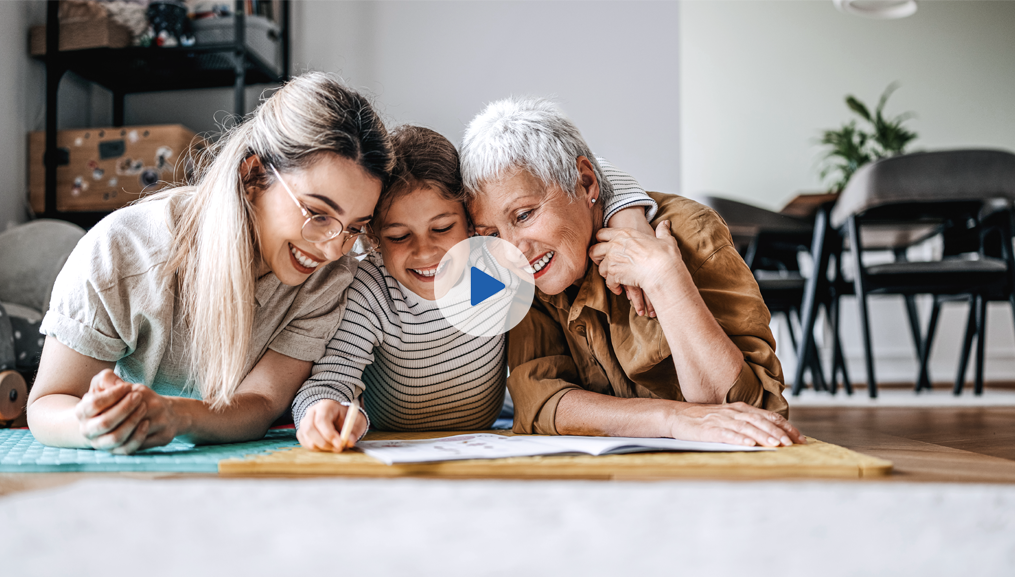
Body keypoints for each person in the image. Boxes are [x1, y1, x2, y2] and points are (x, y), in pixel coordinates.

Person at [26, 72, 394, 454]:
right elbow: (48, 403)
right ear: (252, 175)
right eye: (318, 214)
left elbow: (262, 403)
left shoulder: (329, 278)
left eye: (353, 228)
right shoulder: (123, 250)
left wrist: (175, 416)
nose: (333, 250)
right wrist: (94, 422)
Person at [460, 97, 804, 448]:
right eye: (492, 234)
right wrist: (671, 418)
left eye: (524, 215)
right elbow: (541, 403)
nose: (514, 249)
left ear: (587, 183)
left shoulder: (689, 231)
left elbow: (754, 411)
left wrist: (665, 278)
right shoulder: (517, 271)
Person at [292, 125, 659, 452]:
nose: (425, 251)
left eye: (442, 228)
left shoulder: (492, 270)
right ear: (373, 238)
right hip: (392, 443)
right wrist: (321, 411)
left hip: (486, 437)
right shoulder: (373, 293)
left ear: (471, 224)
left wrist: (627, 215)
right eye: (399, 236)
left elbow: (585, 170)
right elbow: (329, 379)